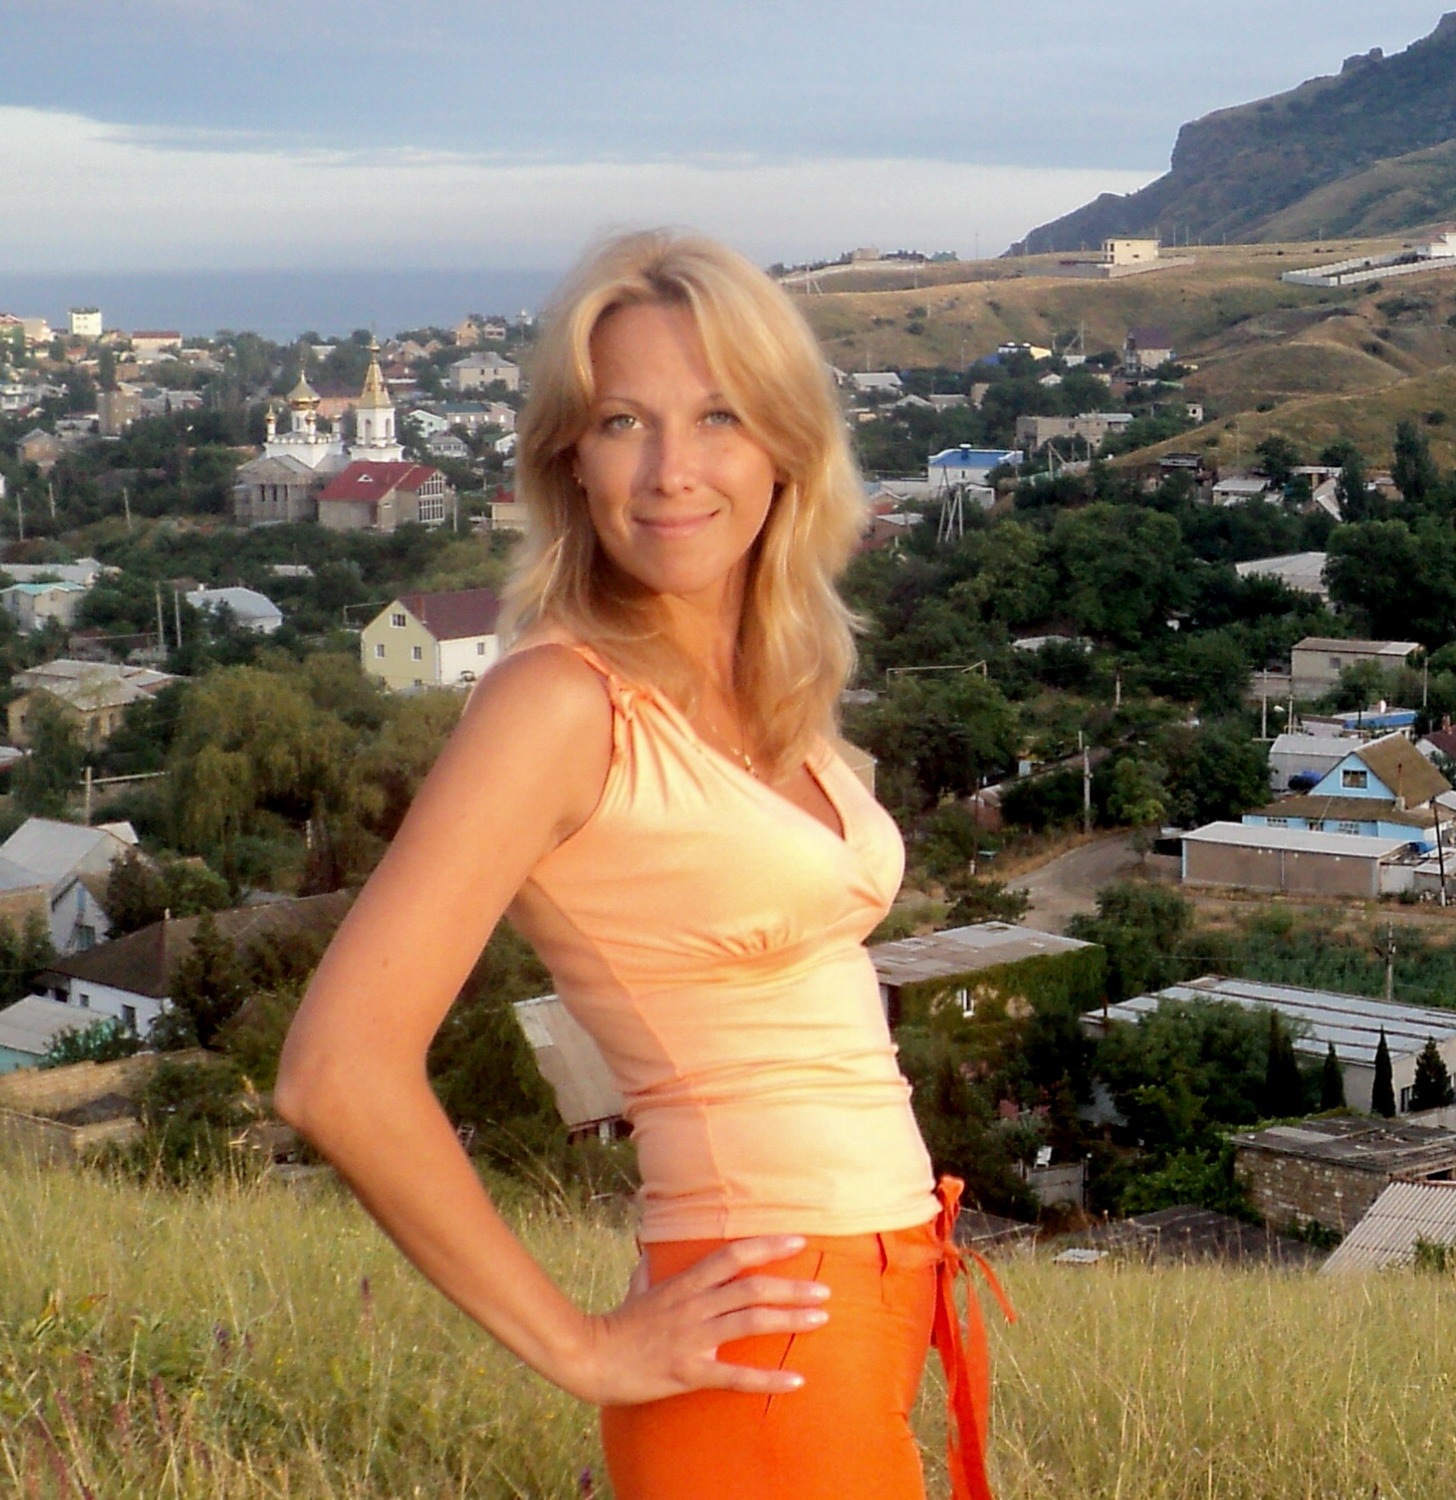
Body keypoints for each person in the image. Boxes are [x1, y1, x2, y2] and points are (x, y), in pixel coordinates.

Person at [276, 230, 1010, 1500]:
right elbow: (334, 1072)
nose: (672, 470)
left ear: (784, 444)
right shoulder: (558, 702)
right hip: (766, 1328)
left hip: (863, 1295)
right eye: (623, 421)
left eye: (718, 415)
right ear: (569, 454)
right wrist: (580, 1348)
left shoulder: (770, 684)